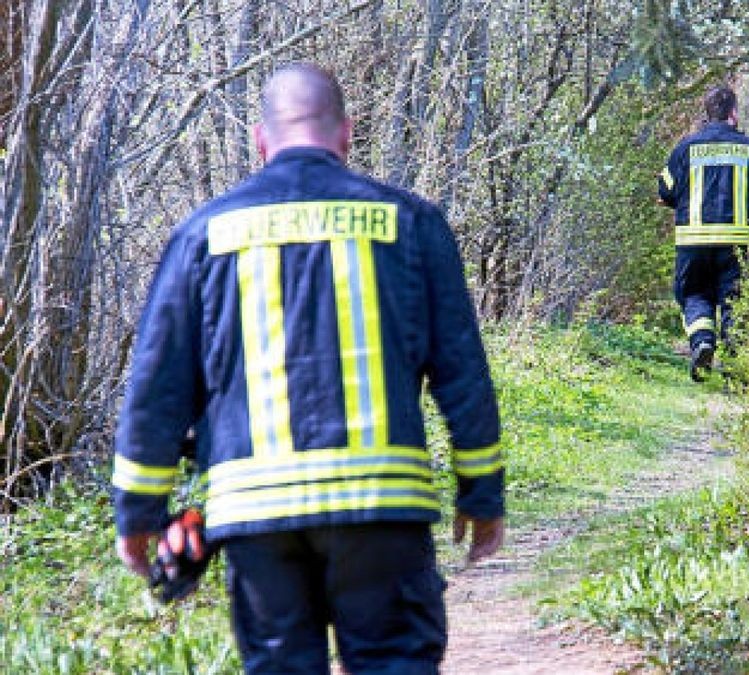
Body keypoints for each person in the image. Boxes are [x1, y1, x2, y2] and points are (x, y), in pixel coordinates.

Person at [112, 63, 504, 673]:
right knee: (394, 660)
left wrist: (138, 513)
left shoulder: (204, 234)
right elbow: (463, 371)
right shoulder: (410, 224)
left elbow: (157, 386)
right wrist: (482, 493)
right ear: (346, 134)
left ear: (260, 141)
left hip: (255, 518)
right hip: (383, 505)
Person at [657, 85, 749, 381]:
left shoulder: (684, 149)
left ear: (707, 112)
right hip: (741, 243)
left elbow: (664, 192)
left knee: (693, 294)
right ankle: (734, 371)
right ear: (734, 113)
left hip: (693, 242)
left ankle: (702, 341)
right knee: (736, 302)